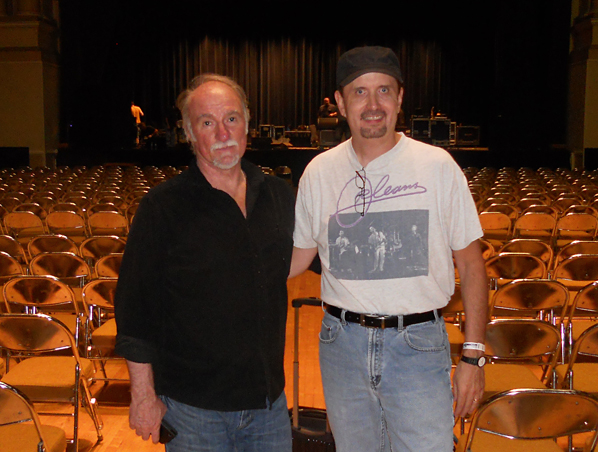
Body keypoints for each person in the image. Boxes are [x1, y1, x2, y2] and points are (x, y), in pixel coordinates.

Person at [289, 46, 488, 451]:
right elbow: (296, 259)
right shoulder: (319, 172)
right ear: (341, 104)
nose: (373, 104)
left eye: (384, 90)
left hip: (417, 345)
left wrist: (473, 356)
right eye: (360, 92)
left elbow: (470, 265)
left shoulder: (437, 166)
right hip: (341, 345)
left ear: (399, 97)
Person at [115, 74, 295, 452]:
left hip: (268, 406)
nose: (222, 132)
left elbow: (327, 260)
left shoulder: (279, 196)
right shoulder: (162, 208)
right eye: (207, 123)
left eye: (231, 118)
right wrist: (143, 395)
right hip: (193, 411)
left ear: (247, 123)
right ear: (189, 133)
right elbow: (135, 311)